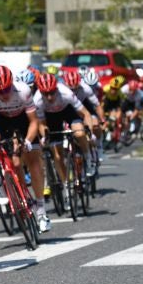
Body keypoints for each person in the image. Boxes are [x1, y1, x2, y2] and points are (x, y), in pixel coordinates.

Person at [0, 65, 51, 233]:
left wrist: (27, 141)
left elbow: (34, 121)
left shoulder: (23, 91)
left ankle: (41, 210)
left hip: (23, 120)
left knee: (33, 161)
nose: (4, 94)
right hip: (0, 121)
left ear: (11, 84)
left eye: (6, 89)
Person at [34, 73, 95, 203]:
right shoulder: (37, 99)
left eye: (51, 92)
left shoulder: (65, 93)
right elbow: (41, 123)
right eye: (45, 93)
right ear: (40, 92)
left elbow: (85, 113)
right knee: (57, 156)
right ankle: (66, 185)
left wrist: (89, 130)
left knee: (79, 133)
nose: (49, 97)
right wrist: (45, 136)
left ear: (56, 88)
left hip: (68, 112)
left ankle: (87, 156)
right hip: (50, 118)